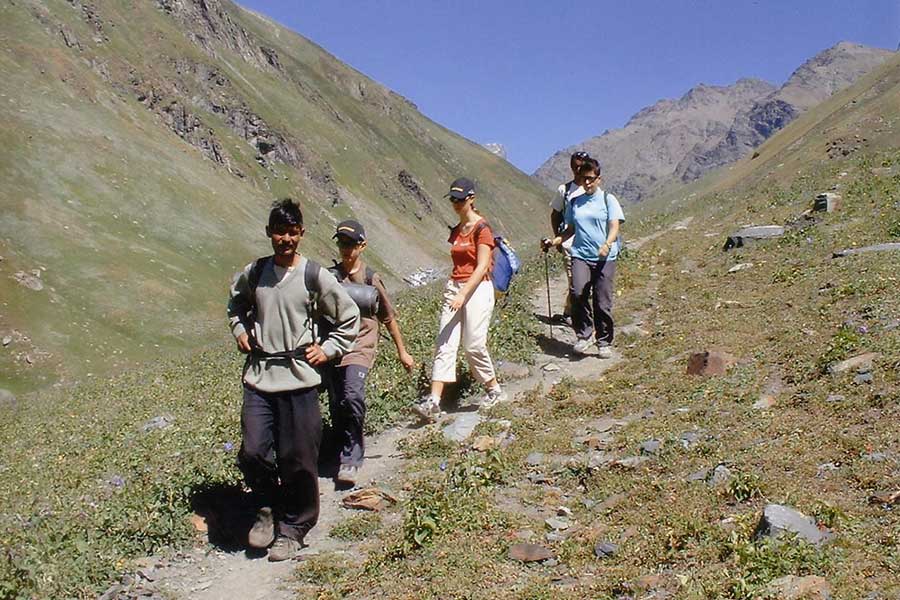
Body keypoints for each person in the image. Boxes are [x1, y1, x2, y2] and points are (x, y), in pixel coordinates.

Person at [227, 199, 360, 561]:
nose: (285, 238)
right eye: (279, 231)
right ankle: (267, 508)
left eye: (292, 232)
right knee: (254, 451)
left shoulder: (314, 275)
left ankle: (294, 528)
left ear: (301, 234)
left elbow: (349, 316)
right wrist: (239, 329)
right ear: (269, 233)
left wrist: (330, 349)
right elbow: (235, 305)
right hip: (259, 376)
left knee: (299, 460)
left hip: (300, 379)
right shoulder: (254, 273)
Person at [327, 219, 415, 486]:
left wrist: (402, 352)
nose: (345, 249)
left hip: (361, 347)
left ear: (362, 246)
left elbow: (388, 317)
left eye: (351, 244)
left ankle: (351, 459)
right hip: (333, 348)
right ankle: (339, 444)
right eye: (342, 243)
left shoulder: (370, 278)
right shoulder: (329, 277)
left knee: (352, 396)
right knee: (338, 402)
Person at [413, 177, 507, 422]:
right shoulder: (456, 229)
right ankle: (434, 401)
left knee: (473, 344)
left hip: (477, 288)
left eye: (460, 199)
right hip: (454, 285)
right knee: (445, 342)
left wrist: (464, 294)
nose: (455, 203)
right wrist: (455, 290)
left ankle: (493, 389)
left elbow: (483, 264)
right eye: (453, 199)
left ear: (471, 199)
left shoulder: (482, 228)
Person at [542, 158, 625, 358]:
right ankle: (584, 335)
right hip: (580, 254)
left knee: (601, 301)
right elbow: (570, 229)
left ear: (599, 179)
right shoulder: (575, 202)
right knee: (578, 293)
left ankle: (604, 341)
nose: (587, 183)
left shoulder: (608, 199)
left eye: (590, 179)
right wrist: (554, 241)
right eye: (583, 179)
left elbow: (615, 225)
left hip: (605, 257)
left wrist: (607, 244)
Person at [549, 151, 591, 324]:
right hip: (569, 243)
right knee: (575, 281)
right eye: (574, 166)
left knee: (584, 281)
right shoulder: (564, 190)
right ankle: (578, 317)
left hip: (589, 242)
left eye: (580, 166)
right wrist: (557, 238)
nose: (577, 169)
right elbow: (555, 214)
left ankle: (569, 312)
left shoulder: (592, 188)